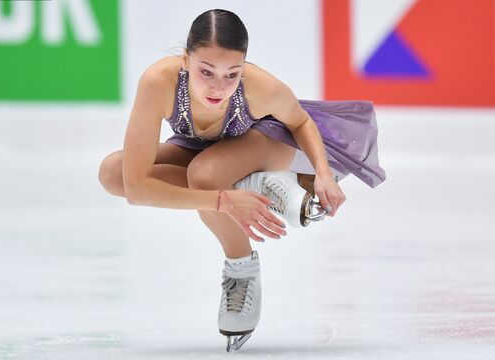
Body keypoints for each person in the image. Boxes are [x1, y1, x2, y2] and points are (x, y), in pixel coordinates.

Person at [98, 9, 385, 352]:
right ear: (185, 60)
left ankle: (241, 269)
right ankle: (251, 185)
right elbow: (137, 189)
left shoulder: (262, 88)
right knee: (114, 173)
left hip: (266, 144)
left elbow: (302, 122)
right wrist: (225, 201)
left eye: (232, 74)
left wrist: (323, 173)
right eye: (206, 72)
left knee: (204, 175)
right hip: (206, 152)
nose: (218, 87)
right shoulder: (158, 82)